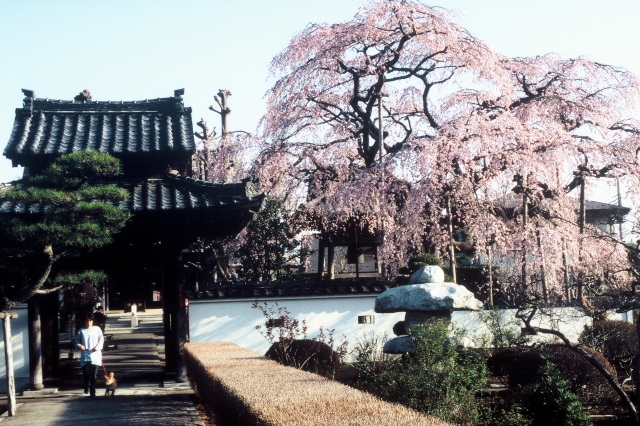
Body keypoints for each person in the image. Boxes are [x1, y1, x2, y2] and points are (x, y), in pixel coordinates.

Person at [74, 312, 104, 397]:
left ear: (92, 321)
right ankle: (86, 385)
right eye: (87, 321)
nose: (89, 323)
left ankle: (93, 390)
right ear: (84, 321)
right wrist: (80, 346)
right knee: (86, 373)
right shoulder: (81, 330)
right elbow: (76, 341)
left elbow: (101, 339)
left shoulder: (97, 329)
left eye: (90, 321)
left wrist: (98, 347)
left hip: (95, 354)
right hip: (85, 354)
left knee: (93, 374)